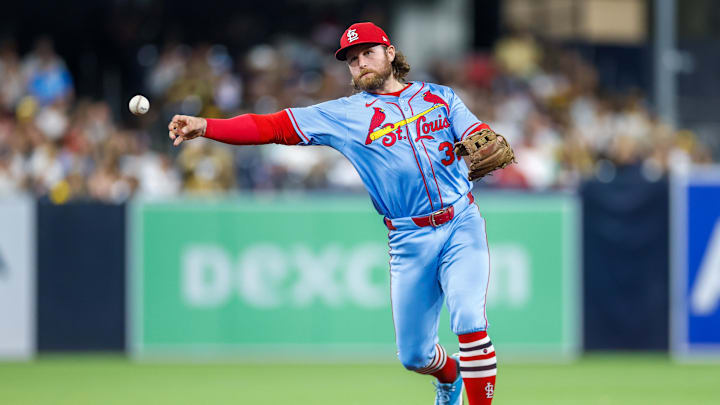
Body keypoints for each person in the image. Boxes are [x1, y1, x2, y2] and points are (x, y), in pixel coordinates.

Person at [168, 22, 501, 405]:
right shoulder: (345, 115)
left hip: (461, 222)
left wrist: (482, 136)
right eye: (352, 59)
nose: (361, 63)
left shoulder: (440, 97)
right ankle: (449, 374)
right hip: (409, 238)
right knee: (414, 356)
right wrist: (207, 126)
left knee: (469, 322)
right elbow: (272, 126)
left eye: (368, 53)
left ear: (390, 53)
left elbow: (478, 132)